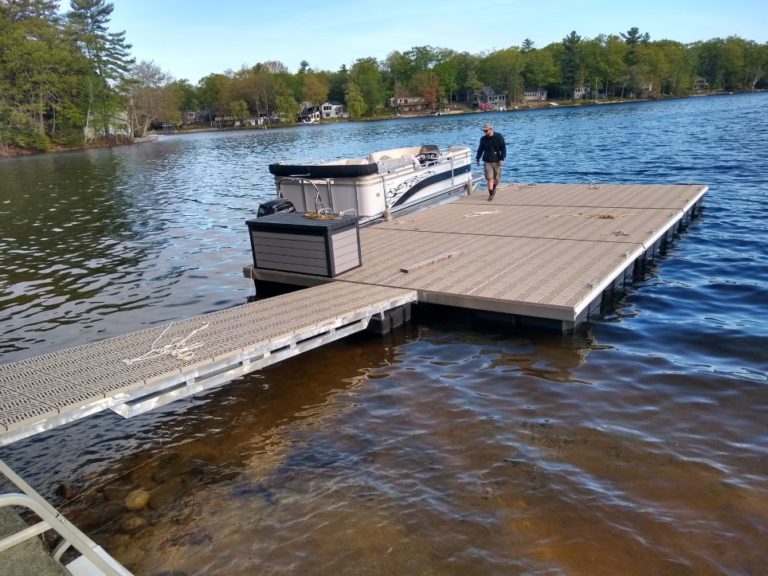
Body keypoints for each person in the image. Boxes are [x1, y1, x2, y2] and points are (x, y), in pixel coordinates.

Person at [476, 123, 506, 200]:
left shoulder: (499, 136)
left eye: (486, 130)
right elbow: (480, 149)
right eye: (484, 131)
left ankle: (494, 188)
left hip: (496, 160)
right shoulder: (483, 139)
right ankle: (491, 195)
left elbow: (503, 148)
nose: (485, 132)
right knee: (489, 178)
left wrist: (502, 159)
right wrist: (477, 159)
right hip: (487, 161)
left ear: (491, 129)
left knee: (497, 178)